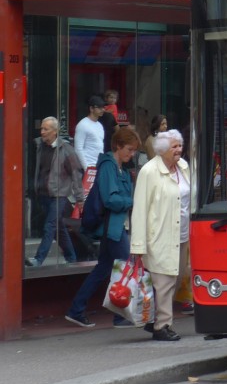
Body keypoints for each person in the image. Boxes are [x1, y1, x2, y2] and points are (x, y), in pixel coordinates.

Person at [65, 126, 140, 328]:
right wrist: (131, 202)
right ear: (118, 146)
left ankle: (76, 309)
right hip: (113, 227)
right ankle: (120, 315)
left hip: (113, 226)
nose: (131, 154)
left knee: (103, 269)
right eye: (129, 149)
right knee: (125, 268)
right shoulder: (108, 166)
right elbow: (111, 199)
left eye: (133, 151)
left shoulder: (118, 168)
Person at [130, 128, 190, 341]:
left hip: (182, 235)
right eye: (174, 147)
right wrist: (138, 245)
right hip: (159, 236)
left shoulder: (183, 167)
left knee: (176, 277)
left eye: (180, 145)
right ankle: (162, 326)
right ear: (162, 150)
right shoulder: (149, 171)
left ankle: (155, 319)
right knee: (163, 282)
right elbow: (140, 209)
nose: (179, 150)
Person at [27, 116, 85, 267]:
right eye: (42, 129)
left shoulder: (66, 150)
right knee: (59, 228)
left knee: (50, 226)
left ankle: (39, 259)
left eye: (46, 129)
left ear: (55, 131)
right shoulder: (39, 146)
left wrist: (80, 198)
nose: (42, 132)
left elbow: (76, 174)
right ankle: (71, 257)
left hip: (59, 195)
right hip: (44, 194)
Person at [74, 95, 107, 170]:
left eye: (103, 107)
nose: (103, 110)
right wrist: (86, 168)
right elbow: (78, 149)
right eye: (99, 107)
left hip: (98, 166)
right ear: (91, 108)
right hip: (87, 167)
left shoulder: (100, 125)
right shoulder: (82, 125)